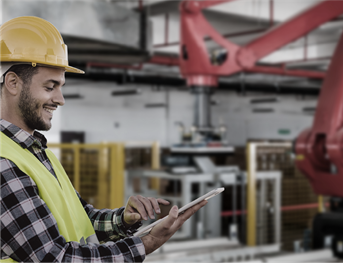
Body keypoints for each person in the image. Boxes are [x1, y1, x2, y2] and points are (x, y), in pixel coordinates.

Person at [0, 16, 207, 262]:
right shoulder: (4, 162)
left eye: (61, 86)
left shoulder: (36, 153)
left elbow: (82, 219)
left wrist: (123, 219)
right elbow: (54, 257)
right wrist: (147, 243)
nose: (60, 99)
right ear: (13, 83)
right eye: (50, 86)